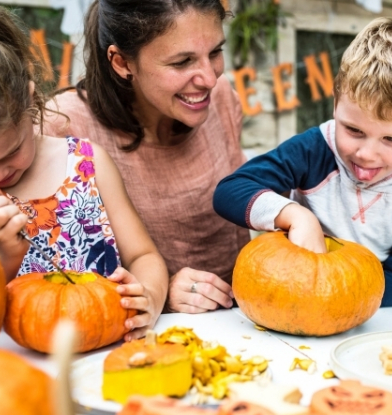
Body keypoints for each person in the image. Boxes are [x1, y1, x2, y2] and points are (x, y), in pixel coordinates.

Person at [0, 0, 168, 341]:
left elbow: (143, 255)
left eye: (12, 151)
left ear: (31, 103)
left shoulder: (86, 162)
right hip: (9, 365)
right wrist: (1, 252)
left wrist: (149, 297)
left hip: (106, 348)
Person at [214, 17, 392, 307]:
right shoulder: (315, 149)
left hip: (361, 317)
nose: (366, 154)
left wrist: (329, 294)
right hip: (290, 297)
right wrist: (297, 216)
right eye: (354, 130)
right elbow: (230, 191)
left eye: (391, 140)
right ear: (336, 104)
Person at [44, 0, 250, 314]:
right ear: (122, 62)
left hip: (244, 322)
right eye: (182, 62)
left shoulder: (221, 98)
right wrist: (157, 294)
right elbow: (49, 280)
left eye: (215, 52)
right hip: (135, 336)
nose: (209, 78)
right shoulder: (63, 128)